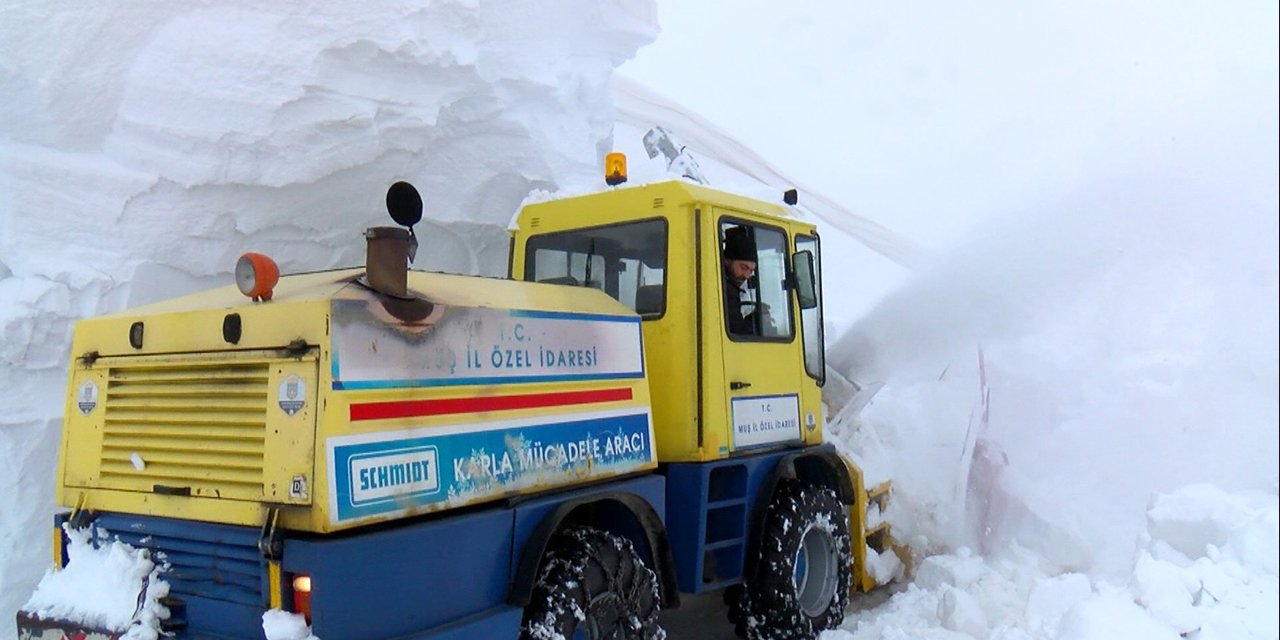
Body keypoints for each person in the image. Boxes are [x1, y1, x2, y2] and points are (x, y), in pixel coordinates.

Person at [722, 226, 761, 334]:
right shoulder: (727, 290)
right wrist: (757, 318)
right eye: (744, 268)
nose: (747, 276)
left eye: (751, 271)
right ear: (727, 260)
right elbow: (738, 333)